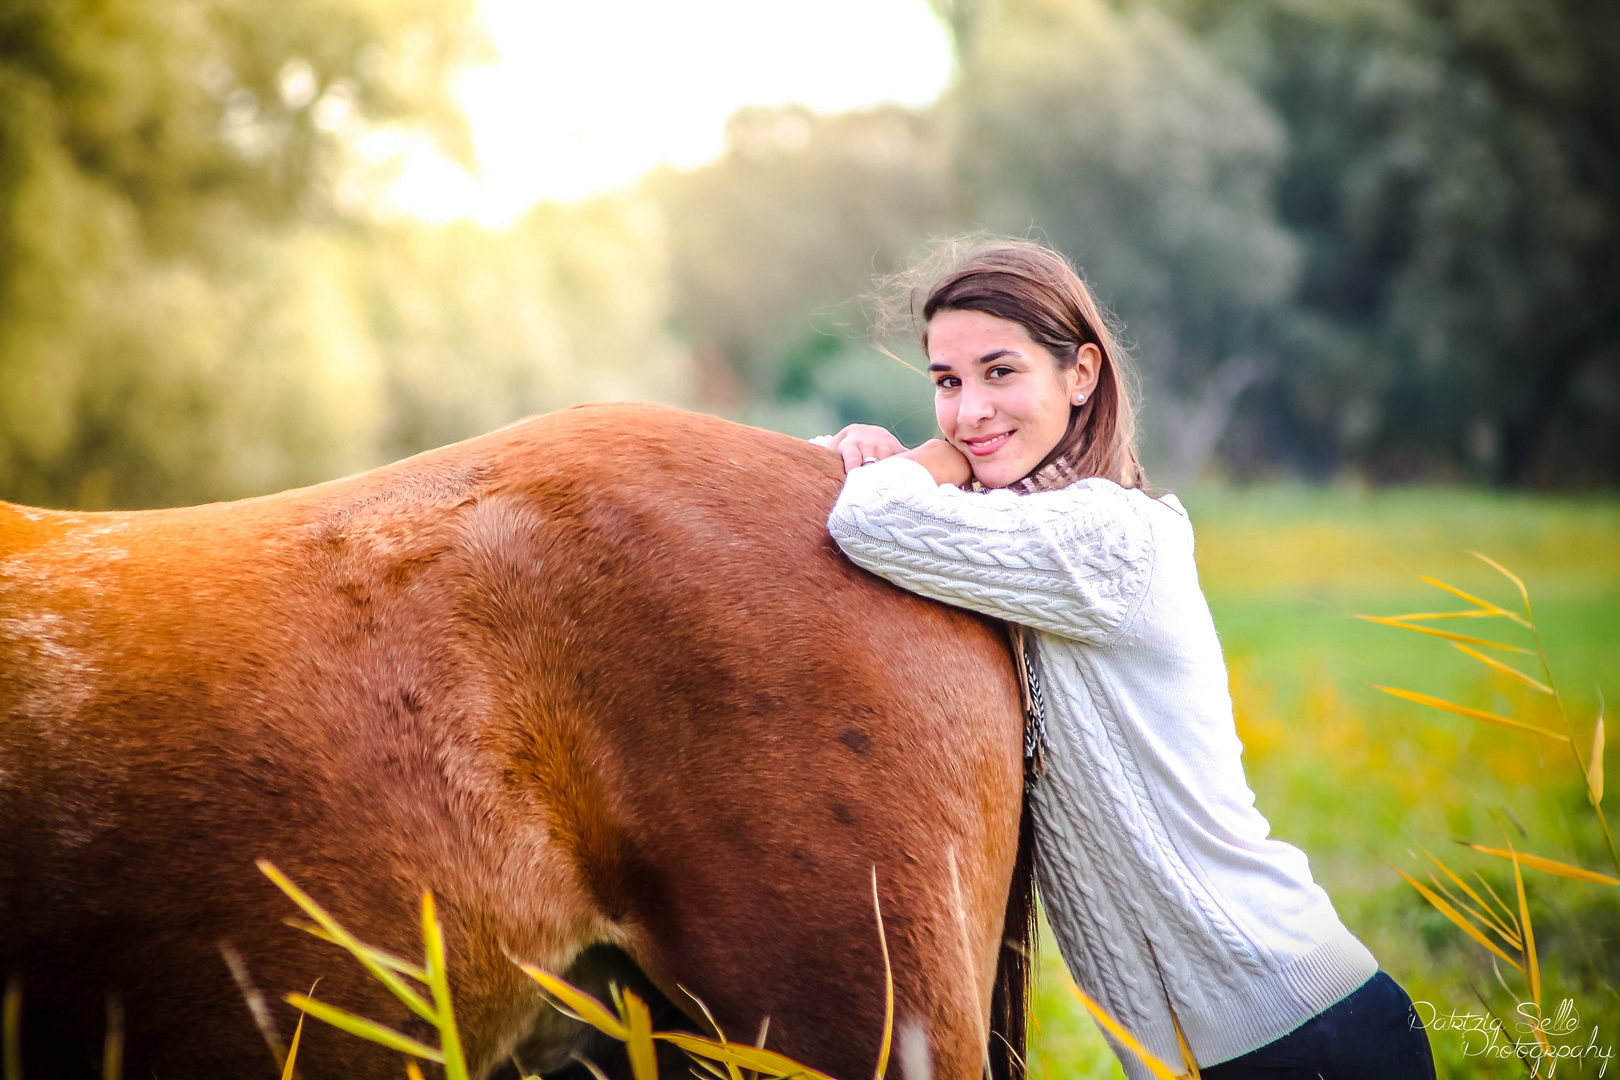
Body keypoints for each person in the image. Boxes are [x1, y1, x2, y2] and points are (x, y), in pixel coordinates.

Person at [809, 238, 1434, 1080]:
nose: (969, 410)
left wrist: (931, 458)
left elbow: (869, 521)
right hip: (1209, 1056)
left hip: (1298, 1034)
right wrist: (852, 446)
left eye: (1000, 372)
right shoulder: (1010, 533)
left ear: (1081, 375)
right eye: (947, 383)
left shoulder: (1109, 539)